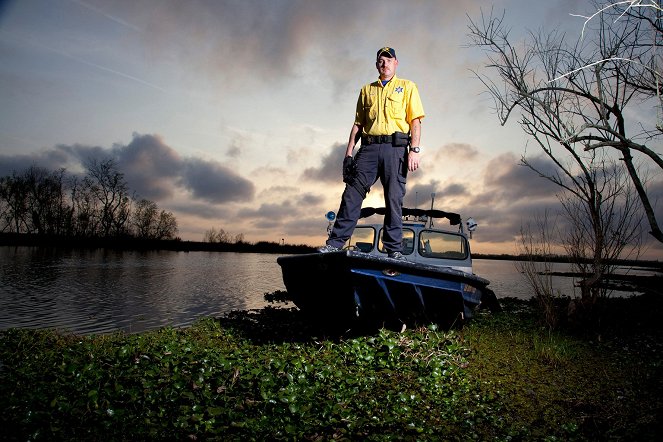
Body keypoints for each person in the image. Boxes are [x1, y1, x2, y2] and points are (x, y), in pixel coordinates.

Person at [319, 46, 425, 259]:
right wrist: (348, 154)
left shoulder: (407, 87)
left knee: (394, 198)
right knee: (351, 193)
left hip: (396, 150)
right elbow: (358, 124)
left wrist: (414, 149)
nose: (384, 63)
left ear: (396, 62)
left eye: (388, 59)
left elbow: (415, 121)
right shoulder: (366, 90)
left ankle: (394, 249)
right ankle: (335, 243)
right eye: (380, 60)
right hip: (368, 149)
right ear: (377, 64)